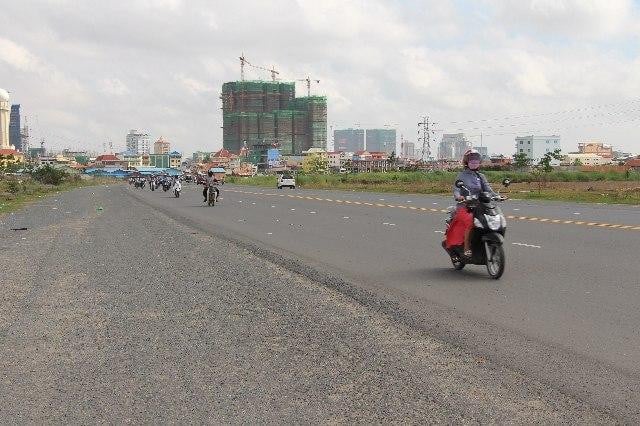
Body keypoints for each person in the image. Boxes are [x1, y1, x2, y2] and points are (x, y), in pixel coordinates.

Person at [446, 149, 496, 258]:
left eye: (476, 160)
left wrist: (497, 196)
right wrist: (458, 196)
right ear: (467, 162)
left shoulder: (481, 176)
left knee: (491, 218)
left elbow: (488, 189)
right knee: (470, 222)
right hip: (465, 205)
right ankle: (466, 248)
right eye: (471, 160)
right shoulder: (461, 175)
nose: (474, 162)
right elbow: (456, 189)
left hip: (480, 205)